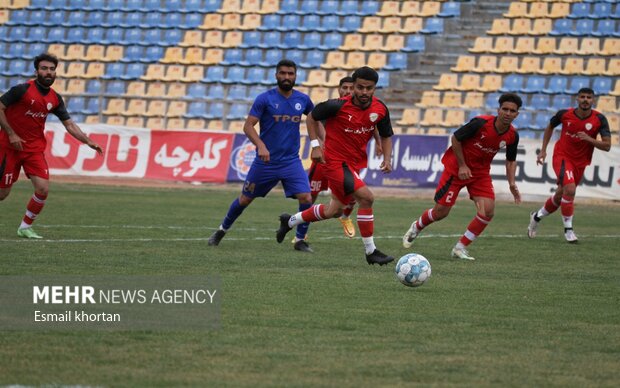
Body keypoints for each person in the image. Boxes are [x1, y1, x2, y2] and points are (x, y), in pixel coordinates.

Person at [276, 66, 395, 266]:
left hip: (354, 164)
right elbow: (312, 117)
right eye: (360, 87)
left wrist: (388, 159)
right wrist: (315, 146)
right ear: (354, 87)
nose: (364, 92)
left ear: (375, 88)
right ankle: (371, 251)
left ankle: (289, 221)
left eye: (369, 88)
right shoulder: (337, 105)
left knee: (334, 211)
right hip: (335, 163)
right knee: (367, 198)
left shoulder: (380, 109)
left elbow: (386, 135)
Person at [208, 59, 315, 252]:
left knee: (307, 198)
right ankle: (221, 230)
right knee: (244, 200)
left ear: (295, 76)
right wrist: (261, 146)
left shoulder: (303, 100)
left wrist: (318, 143)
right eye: (283, 73)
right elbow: (248, 126)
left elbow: (315, 120)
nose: (286, 77)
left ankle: (299, 241)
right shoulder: (265, 99)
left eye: (290, 74)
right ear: (276, 75)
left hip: (291, 161)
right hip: (265, 162)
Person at [402, 93, 523, 261]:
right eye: (505, 109)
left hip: (480, 174)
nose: (508, 113)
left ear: (517, 114)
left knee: (487, 211)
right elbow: (456, 138)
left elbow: (511, 161)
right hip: (455, 170)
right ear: (498, 110)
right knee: (441, 212)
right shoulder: (480, 123)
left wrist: (512, 183)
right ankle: (417, 226)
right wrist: (462, 165)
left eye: (512, 111)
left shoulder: (512, 135)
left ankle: (460, 248)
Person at [0, 53, 103, 239]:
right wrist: (11, 133)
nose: (48, 72)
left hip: (34, 150)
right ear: (36, 71)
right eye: (44, 69)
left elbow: (69, 124)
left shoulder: (55, 99)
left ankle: (24, 227)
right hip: (8, 147)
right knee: (2, 194)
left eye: (52, 69)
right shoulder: (21, 90)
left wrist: (88, 141)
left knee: (43, 189)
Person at [301, 76, 383, 243]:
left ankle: (345, 217)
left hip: (347, 160)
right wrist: (318, 145)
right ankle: (302, 232)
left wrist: (379, 142)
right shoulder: (332, 106)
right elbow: (314, 121)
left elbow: (372, 123)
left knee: (352, 196)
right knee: (312, 194)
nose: (347, 91)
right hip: (324, 158)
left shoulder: (360, 109)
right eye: (344, 88)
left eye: (350, 88)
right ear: (339, 89)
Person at [527, 88, 611, 243]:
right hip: (562, 157)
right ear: (577, 99)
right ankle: (569, 230)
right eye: (582, 97)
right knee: (570, 189)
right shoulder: (564, 114)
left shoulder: (599, 119)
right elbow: (550, 126)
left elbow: (607, 146)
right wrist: (543, 150)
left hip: (581, 162)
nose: (585, 100)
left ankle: (536, 216)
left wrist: (589, 139)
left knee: (561, 195)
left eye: (589, 97)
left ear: (593, 100)